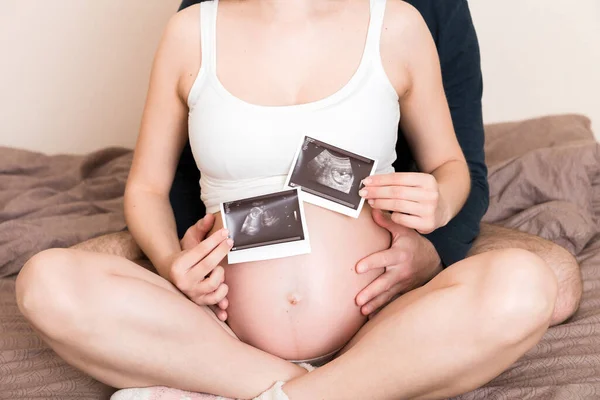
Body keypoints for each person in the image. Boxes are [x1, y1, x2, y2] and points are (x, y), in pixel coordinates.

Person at [15, 1, 582, 400]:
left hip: (382, 319)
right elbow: (146, 187)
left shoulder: (401, 24)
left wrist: (439, 206)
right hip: (220, 329)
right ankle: (324, 388)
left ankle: (275, 392)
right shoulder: (193, 30)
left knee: (528, 281)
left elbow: (456, 168)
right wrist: (172, 265)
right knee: (45, 281)